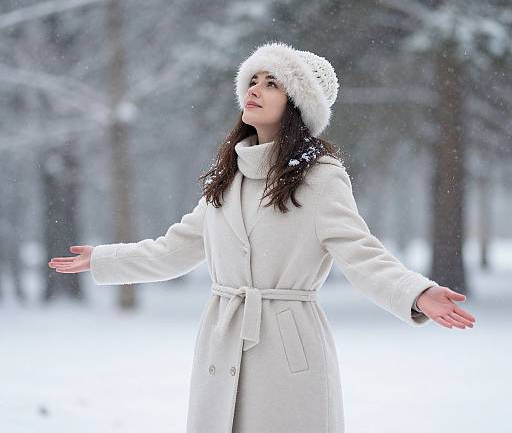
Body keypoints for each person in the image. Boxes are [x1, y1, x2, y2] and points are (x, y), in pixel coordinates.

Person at [49, 41, 476, 433]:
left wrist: (416, 293)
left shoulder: (320, 178)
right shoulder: (226, 178)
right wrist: (104, 259)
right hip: (223, 338)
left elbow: (361, 254)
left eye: (272, 83)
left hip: (288, 349)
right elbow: (175, 248)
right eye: (252, 80)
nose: (254, 88)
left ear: (297, 105)